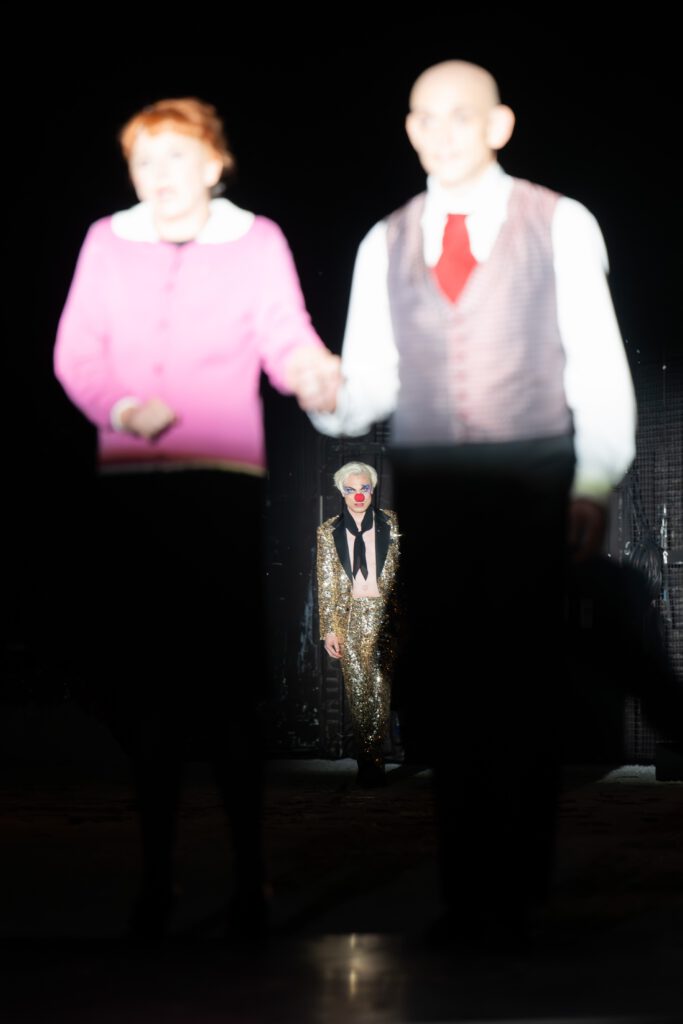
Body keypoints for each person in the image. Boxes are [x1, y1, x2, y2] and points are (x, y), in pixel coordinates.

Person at [310, 60, 638, 944]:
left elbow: (595, 363)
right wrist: (324, 394)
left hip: (531, 468)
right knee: (448, 685)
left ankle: (520, 890)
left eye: (462, 114)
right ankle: (466, 894)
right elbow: (367, 387)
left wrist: (592, 479)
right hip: (432, 478)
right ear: (409, 131)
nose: (443, 131)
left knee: (521, 679)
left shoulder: (558, 220)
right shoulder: (382, 241)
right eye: (426, 116)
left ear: (498, 126)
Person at [53, 96, 339, 941]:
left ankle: (252, 882)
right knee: (148, 691)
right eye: (144, 161)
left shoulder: (256, 241)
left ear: (215, 164)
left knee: (224, 691)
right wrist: (121, 407)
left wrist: (312, 372)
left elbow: (284, 336)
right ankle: (155, 881)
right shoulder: (107, 241)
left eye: (176, 157)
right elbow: (75, 351)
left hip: (221, 485)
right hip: (135, 490)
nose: (159, 176)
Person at [316, 462, 401, 787]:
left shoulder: (393, 523)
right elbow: (326, 583)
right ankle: (369, 760)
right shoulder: (328, 531)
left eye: (364, 488)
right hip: (350, 617)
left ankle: (373, 758)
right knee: (359, 692)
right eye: (350, 490)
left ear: (373, 489)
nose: (358, 496)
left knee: (379, 689)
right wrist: (329, 629)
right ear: (341, 492)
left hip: (385, 616)